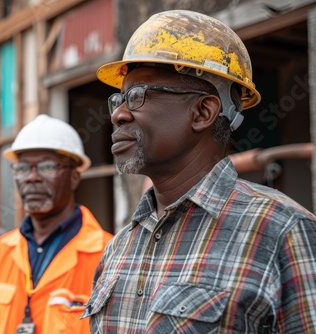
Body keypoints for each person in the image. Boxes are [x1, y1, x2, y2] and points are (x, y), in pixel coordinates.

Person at [82, 9, 316, 333]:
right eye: (118, 99)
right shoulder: (119, 248)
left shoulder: (282, 232)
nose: (118, 115)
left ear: (203, 112)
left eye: (136, 96)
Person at [0, 114, 113, 334]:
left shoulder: (109, 253)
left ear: (74, 177)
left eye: (46, 167)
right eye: (23, 168)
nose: (31, 178)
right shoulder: (2, 249)